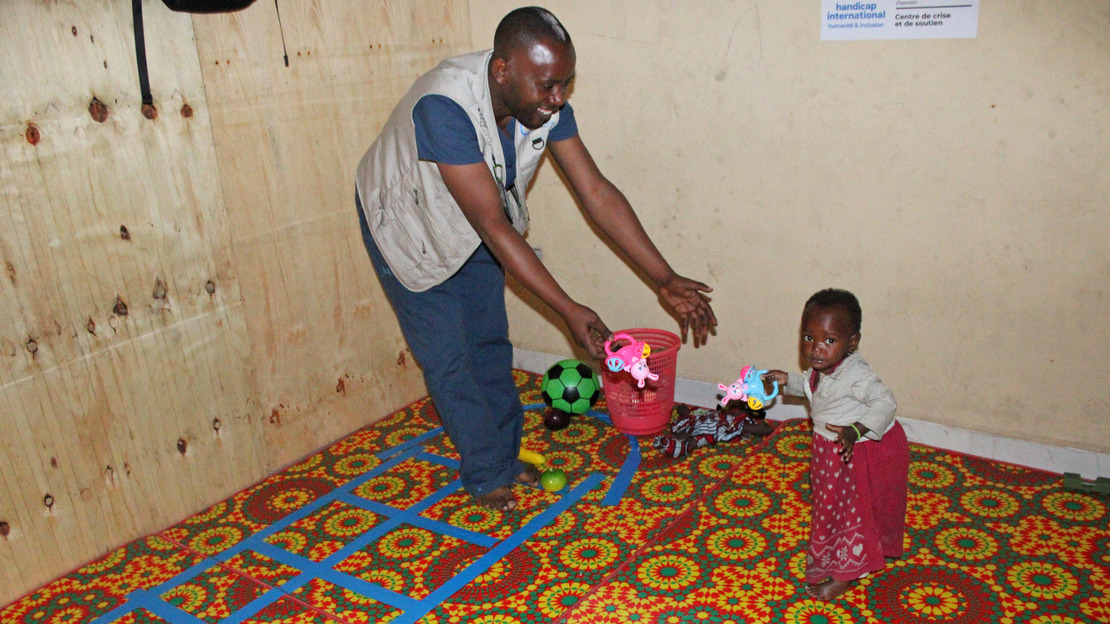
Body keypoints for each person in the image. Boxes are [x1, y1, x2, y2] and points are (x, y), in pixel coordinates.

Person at [354, 7, 716, 512]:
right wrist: (569, 309)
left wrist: (664, 277)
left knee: (486, 341)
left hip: (475, 223)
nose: (559, 99)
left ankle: (503, 454)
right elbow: (494, 228)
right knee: (450, 356)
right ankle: (485, 472)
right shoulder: (445, 107)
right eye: (548, 85)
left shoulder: (543, 105)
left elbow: (595, 192)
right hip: (405, 223)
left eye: (565, 84)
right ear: (502, 71)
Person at [762, 288, 907, 601]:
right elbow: (817, 388)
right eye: (808, 337)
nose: (815, 348)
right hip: (830, 451)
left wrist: (856, 430)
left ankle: (848, 574)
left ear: (851, 342)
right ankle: (852, 554)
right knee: (831, 508)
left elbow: (885, 401)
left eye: (829, 340)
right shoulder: (823, 368)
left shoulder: (857, 374)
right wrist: (786, 379)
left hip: (858, 450)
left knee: (853, 513)